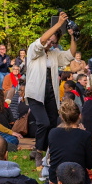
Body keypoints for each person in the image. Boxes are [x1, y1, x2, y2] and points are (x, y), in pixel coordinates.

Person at [25, 12, 77, 167]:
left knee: (53, 123)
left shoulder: (54, 54)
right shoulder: (34, 49)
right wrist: (58, 24)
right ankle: (39, 153)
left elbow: (71, 54)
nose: (49, 44)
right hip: (35, 92)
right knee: (43, 123)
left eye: (53, 42)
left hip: (51, 93)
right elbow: (41, 41)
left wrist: (74, 37)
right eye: (48, 41)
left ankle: (42, 150)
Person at [47, 99, 92, 184]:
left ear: (62, 117)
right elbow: (90, 164)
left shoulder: (52, 133)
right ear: (79, 116)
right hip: (77, 181)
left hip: (56, 179)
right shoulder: (85, 135)